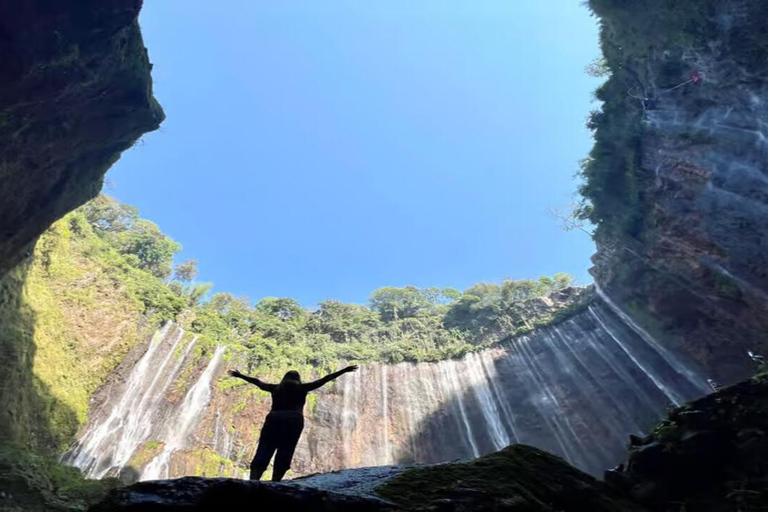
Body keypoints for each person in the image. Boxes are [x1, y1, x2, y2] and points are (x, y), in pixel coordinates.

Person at [228, 365, 358, 482]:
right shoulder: (302, 388)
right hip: (293, 421)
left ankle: (254, 479)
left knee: (265, 447)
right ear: (298, 379)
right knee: (286, 449)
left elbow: (257, 382)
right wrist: (344, 370)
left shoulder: (275, 388)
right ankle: (276, 481)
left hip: (274, 419)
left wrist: (240, 375)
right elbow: (325, 379)